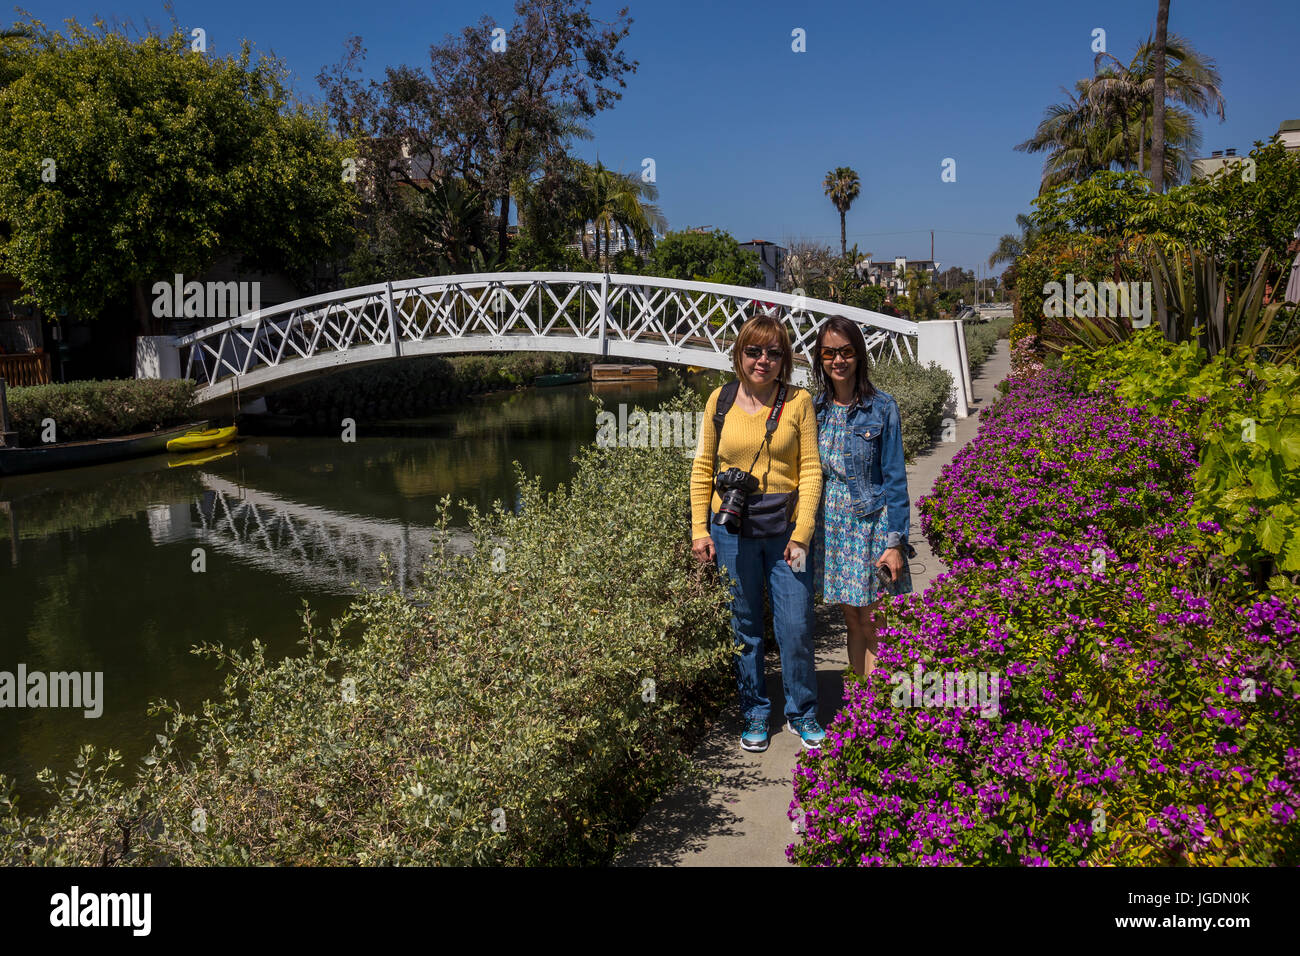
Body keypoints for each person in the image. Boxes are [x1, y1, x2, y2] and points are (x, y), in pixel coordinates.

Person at [690, 313, 825, 753]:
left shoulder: (798, 401)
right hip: (731, 531)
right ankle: (754, 709)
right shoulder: (720, 400)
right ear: (739, 354)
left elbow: (810, 471)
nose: (762, 360)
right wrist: (699, 530)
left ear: (785, 358)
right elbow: (702, 469)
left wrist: (802, 532)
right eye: (753, 351)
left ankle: (802, 711)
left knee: (795, 623)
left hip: (787, 531)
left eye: (773, 352)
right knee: (744, 625)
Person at [810, 315, 913, 677]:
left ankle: (880, 710)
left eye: (846, 351)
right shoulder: (814, 409)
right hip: (833, 530)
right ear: (820, 359)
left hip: (871, 526)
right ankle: (861, 707)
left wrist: (896, 543)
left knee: (876, 624)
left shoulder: (882, 408)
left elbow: (896, 480)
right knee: (852, 622)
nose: (838, 360)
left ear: (858, 355)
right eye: (829, 353)